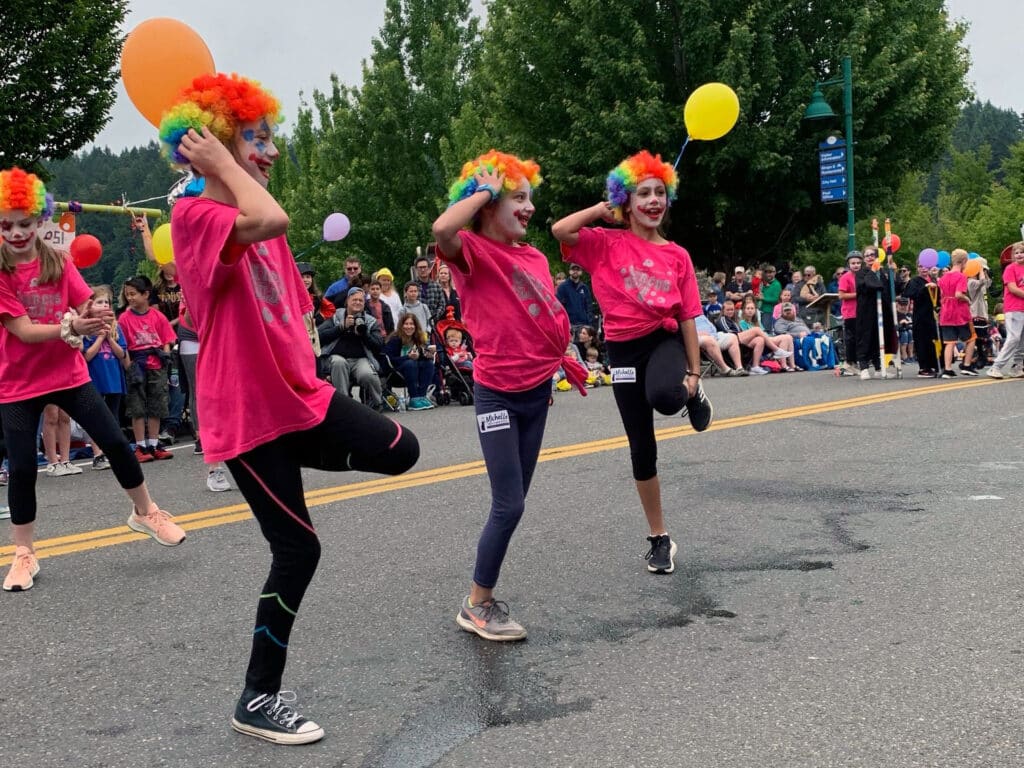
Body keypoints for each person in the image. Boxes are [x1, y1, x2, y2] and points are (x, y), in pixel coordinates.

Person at [162, 71, 419, 744]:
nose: (270, 151)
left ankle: (290, 458)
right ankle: (257, 697)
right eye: (255, 139)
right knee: (298, 548)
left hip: (299, 400)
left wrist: (312, 379)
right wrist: (215, 165)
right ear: (212, 144)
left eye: (269, 138)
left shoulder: (256, 212)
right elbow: (265, 217)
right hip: (246, 413)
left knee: (402, 451)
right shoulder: (195, 218)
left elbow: (293, 310)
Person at [0, 167, 186, 592]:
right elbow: (25, 332)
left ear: (39, 221)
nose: (13, 232)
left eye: (23, 223)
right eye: (4, 224)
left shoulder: (57, 260)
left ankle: (145, 511)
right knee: (25, 467)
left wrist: (97, 315)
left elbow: (84, 300)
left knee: (118, 443)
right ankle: (24, 553)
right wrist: (72, 330)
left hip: (67, 374)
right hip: (16, 383)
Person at [432, 149, 584, 642]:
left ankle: (481, 598)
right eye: (517, 197)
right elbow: (441, 231)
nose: (529, 207)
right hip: (496, 395)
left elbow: (539, 318)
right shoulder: (472, 253)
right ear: (488, 205)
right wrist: (483, 189)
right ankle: (477, 603)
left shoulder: (536, 256)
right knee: (509, 505)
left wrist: (559, 359)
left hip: (536, 392)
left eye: (529, 198)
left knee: (517, 499)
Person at [553, 149, 708, 578]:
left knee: (663, 395)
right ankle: (659, 538)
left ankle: (687, 390)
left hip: (664, 341)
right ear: (627, 202)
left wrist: (694, 371)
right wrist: (602, 210)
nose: (654, 201)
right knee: (641, 446)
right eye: (644, 193)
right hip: (622, 352)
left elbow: (688, 317)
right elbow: (561, 230)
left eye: (660, 192)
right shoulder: (605, 242)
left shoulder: (678, 255)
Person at [119, 275, 176, 460]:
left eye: (134, 294)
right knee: (137, 406)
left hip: (156, 363)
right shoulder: (124, 319)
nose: (130, 298)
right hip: (137, 364)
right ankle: (140, 446)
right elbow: (123, 345)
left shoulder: (157, 316)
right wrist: (128, 366)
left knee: (156, 404)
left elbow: (167, 339)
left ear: (146, 294)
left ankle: (154, 443)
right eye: (127, 294)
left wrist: (165, 358)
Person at [82, 284, 129, 470]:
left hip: (114, 380)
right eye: (99, 302)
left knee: (113, 417)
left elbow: (121, 354)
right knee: (96, 418)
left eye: (107, 302)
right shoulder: (87, 330)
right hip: (95, 380)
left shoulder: (116, 328)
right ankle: (98, 453)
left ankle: (114, 452)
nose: (104, 306)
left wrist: (109, 337)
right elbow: (87, 356)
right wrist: (100, 338)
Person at [319, 287, 385, 409]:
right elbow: (319, 336)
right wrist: (341, 327)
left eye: (361, 300)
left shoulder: (370, 321)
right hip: (337, 357)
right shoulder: (336, 317)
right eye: (354, 299)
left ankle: (378, 403)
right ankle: (344, 405)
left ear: (364, 303)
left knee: (367, 374)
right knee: (339, 363)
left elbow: (379, 345)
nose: (357, 302)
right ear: (348, 301)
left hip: (360, 359)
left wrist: (364, 334)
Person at [715, 299, 793, 374]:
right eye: (728, 310)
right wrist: (747, 334)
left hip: (739, 338)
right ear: (723, 310)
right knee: (756, 329)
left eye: (732, 309)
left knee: (759, 340)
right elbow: (729, 332)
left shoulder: (734, 320)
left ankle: (755, 367)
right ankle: (776, 350)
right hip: (731, 338)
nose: (730, 312)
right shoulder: (722, 319)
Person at [384, 313, 437, 410]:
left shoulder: (418, 338)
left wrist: (427, 355)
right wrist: (408, 357)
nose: (409, 327)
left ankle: (422, 396)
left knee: (428, 363)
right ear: (401, 325)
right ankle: (414, 398)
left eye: (412, 324)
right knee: (410, 363)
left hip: (415, 371)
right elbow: (390, 360)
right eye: (406, 324)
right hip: (396, 372)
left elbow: (420, 358)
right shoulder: (395, 339)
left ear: (416, 326)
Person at [987, 242, 1024, 378]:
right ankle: (996, 367)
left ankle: (1017, 367)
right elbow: (1013, 288)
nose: (1019, 255)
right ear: (1013, 256)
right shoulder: (1010, 269)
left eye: (1022, 252)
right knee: (1014, 338)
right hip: (1014, 308)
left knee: (1022, 340)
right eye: (1016, 253)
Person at [938, 249, 974, 378]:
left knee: (949, 341)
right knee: (971, 338)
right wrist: (967, 299)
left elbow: (941, 295)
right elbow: (959, 294)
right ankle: (967, 365)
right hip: (959, 312)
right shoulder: (961, 276)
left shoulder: (943, 277)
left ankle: (947, 369)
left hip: (946, 311)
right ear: (964, 261)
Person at [902, 260, 941, 377]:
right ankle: (924, 367)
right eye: (920, 266)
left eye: (926, 266)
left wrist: (935, 282)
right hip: (920, 315)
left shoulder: (933, 279)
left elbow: (940, 296)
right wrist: (925, 287)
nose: (923, 269)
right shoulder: (914, 281)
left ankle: (936, 364)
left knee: (934, 340)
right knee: (922, 340)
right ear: (917, 268)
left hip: (933, 315)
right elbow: (910, 294)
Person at [739, 297, 797, 371]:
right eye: (748, 308)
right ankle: (783, 364)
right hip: (755, 342)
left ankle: (792, 365)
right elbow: (747, 337)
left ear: (755, 310)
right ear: (744, 310)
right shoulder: (742, 322)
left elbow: (764, 333)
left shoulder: (756, 322)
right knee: (784, 338)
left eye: (752, 308)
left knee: (788, 337)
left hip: (766, 339)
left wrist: (769, 336)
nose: (750, 310)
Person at [837, 251, 861, 373]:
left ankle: (857, 362)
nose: (856, 265)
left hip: (862, 311)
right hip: (850, 312)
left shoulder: (863, 276)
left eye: (858, 263)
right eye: (853, 263)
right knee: (851, 338)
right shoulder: (845, 277)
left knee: (860, 337)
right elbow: (841, 295)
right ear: (848, 264)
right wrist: (858, 295)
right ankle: (849, 362)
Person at [556, 262, 595, 333]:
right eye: (573, 269)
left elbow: (589, 307)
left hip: (584, 326)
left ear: (581, 272)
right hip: (570, 326)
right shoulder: (562, 287)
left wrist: (589, 324)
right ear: (569, 271)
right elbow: (558, 307)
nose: (575, 271)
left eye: (578, 269)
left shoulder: (585, 288)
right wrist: (564, 324)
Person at [413, 254, 445, 324]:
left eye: (425, 267)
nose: (423, 269)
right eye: (420, 268)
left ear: (429, 269)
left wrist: (434, 317)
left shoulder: (437, 286)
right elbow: (408, 304)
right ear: (416, 270)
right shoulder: (411, 286)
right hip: (417, 324)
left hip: (435, 323)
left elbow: (442, 305)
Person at [757, 264, 781, 331]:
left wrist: (763, 298)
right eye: (766, 272)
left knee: (765, 331)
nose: (768, 274)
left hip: (769, 311)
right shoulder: (763, 283)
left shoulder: (777, 284)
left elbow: (776, 299)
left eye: (770, 272)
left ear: (775, 273)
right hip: (760, 310)